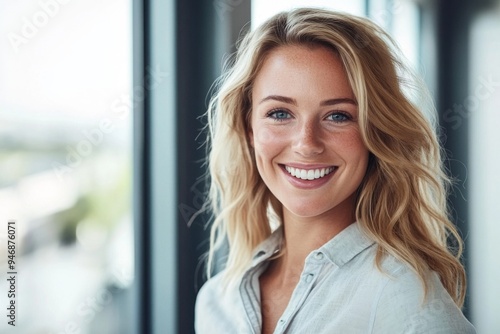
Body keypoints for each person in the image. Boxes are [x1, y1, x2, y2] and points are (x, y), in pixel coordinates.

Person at [195, 8, 476, 334]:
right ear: (249, 129)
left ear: (376, 133)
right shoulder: (217, 302)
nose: (306, 144)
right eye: (280, 113)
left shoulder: (405, 299)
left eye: (338, 116)